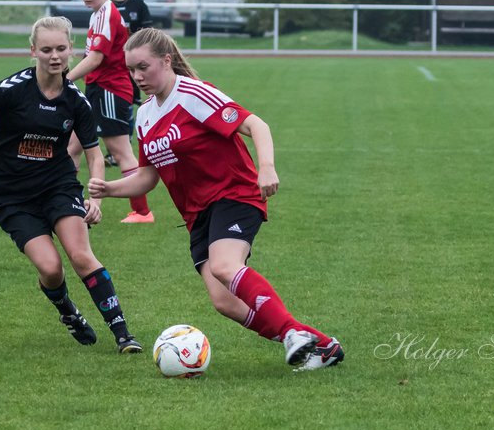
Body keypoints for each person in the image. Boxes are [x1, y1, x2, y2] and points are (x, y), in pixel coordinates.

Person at [88, 28, 344, 372]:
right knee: (225, 302)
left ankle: (291, 334)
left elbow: (257, 124)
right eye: (131, 70)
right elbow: (149, 175)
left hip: (234, 194)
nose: (137, 77)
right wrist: (110, 188)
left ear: (166, 61)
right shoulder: (146, 115)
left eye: (144, 67)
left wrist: (266, 167)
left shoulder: (193, 94)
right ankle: (322, 345)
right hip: (198, 215)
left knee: (225, 266)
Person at [0, 15, 143, 353]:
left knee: (81, 256)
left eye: (61, 48)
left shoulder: (76, 101)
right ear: (33, 51)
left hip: (58, 187)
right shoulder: (10, 90)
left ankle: (123, 334)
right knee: (50, 268)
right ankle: (67, 311)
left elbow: (94, 154)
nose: (54, 56)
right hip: (13, 197)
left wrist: (96, 195)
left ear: (72, 50)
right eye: (46, 49)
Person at [66, 0, 155, 224]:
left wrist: (64, 79)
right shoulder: (98, 14)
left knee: (121, 152)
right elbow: (90, 56)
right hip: (98, 88)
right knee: (72, 146)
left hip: (110, 91)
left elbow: (96, 58)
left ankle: (141, 212)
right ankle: (68, 202)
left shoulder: (106, 13)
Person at [106, 0, 153, 167]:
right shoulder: (105, 6)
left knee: (129, 105)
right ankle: (112, 153)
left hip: (132, 65)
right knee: (110, 107)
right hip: (110, 67)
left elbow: (148, 34)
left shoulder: (138, 5)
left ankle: (127, 145)